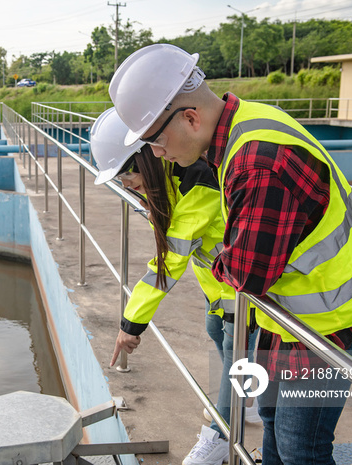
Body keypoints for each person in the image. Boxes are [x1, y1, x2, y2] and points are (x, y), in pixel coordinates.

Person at [108, 44, 352, 465]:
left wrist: (220, 256)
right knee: (271, 422)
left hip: (332, 316)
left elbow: (246, 275)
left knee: (302, 447)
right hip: (295, 309)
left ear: (189, 118)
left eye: (154, 141)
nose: (156, 155)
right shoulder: (246, 122)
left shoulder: (256, 163)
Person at [91, 107, 260, 465]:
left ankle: (219, 436)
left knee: (234, 352)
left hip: (243, 285)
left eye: (126, 173)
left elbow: (168, 263)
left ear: (146, 158)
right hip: (220, 284)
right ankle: (244, 401)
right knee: (216, 330)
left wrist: (130, 325)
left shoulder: (196, 179)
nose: (124, 183)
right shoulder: (169, 178)